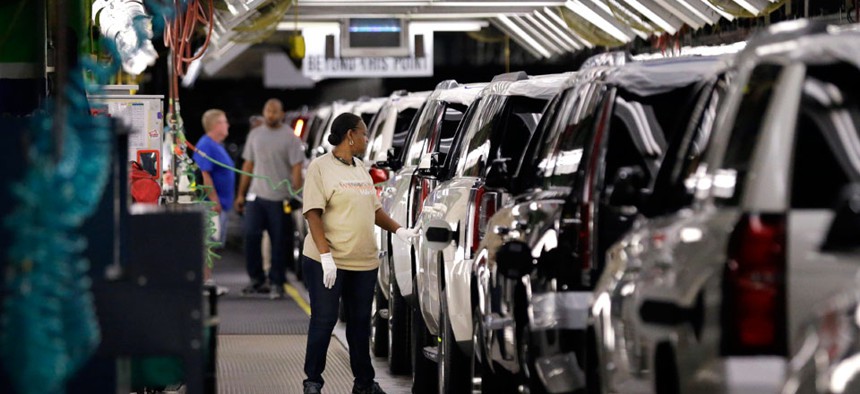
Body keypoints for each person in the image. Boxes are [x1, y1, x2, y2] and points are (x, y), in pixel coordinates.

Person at [301, 113, 418, 394]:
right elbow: (313, 214)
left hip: (363, 262)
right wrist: (326, 256)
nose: (367, 139)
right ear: (350, 135)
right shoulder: (320, 168)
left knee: (360, 324)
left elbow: (374, 210)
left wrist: (400, 231)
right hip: (327, 260)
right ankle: (313, 381)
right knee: (325, 320)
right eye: (364, 134)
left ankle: (364, 382)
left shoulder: (360, 168)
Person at [234, 99, 304, 299]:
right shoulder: (255, 135)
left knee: (279, 242)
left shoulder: (290, 138)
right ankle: (256, 279)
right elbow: (248, 165)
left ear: (282, 114)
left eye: (275, 112)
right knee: (250, 236)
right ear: (264, 112)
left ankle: (277, 282)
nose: (271, 115)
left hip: (280, 198)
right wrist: (241, 194)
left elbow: (296, 169)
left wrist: (295, 195)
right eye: (268, 111)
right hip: (256, 196)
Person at [193, 109, 235, 248]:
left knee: (212, 249)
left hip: (219, 206)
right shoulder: (206, 145)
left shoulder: (216, 145)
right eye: (225, 122)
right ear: (217, 125)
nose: (228, 125)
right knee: (207, 250)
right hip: (211, 207)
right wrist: (214, 200)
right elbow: (204, 173)